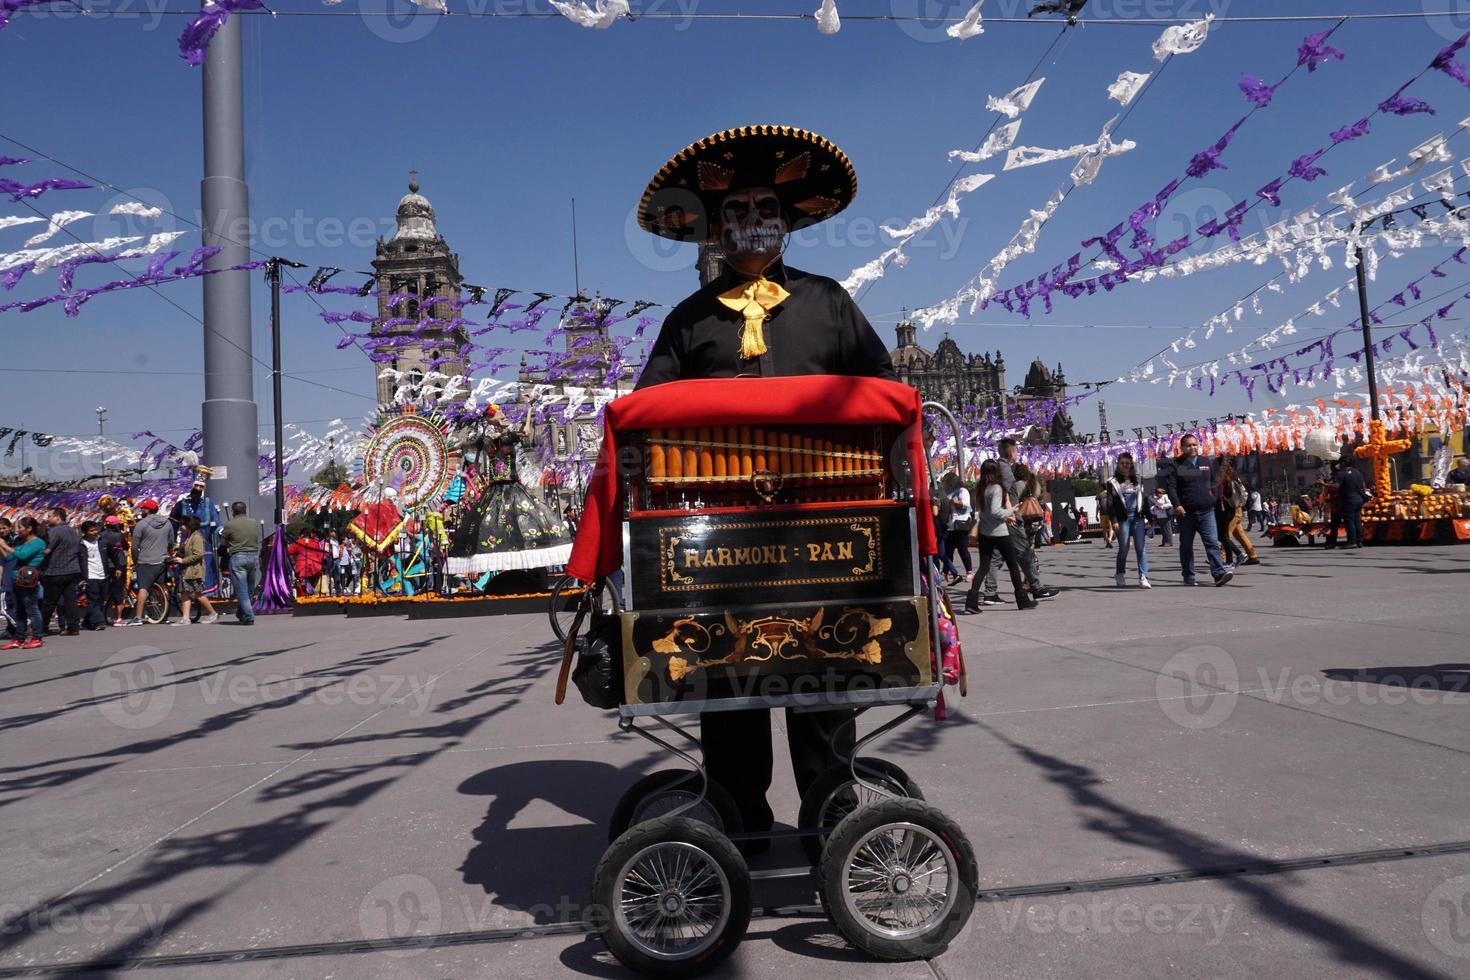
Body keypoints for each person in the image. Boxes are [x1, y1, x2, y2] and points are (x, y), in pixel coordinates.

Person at [632, 123, 897, 839]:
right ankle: (739, 817)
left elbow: (884, 392)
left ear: (789, 222)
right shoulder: (687, 321)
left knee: (825, 675)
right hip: (721, 542)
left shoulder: (830, 301)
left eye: (767, 210)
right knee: (727, 682)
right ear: (717, 228)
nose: (754, 223)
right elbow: (643, 417)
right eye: (739, 211)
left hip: (824, 531)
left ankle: (832, 814)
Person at [978, 439, 1060, 604]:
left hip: (1001, 520)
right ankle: (1037, 588)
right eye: (1016, 451)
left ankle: (990, 592)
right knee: (1024, 553)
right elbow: (1005, 493)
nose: (1017, 454)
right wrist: (1010, 513)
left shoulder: (1000, 468)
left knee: (996, 557)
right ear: (1010, 452)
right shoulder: (1006, 469)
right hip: (1012, 519)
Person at [1157, 433, 1233, 587]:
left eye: (1194, 445)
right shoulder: (1175, 465)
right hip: (1186, 513)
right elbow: (1171, 488)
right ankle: (1189, 576)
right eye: (1188, 445)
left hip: (1207, 511)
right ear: (1182, 448)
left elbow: (1214, 482)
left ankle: (1219, 574)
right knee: (1186, 545)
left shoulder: (1205, 461)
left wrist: (1213, 497)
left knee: (1212, 542)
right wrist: (1177, 504)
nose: (1192, 448)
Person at [963, 460, 1039, 613]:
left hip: (985, 532)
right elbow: (996, 511)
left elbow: (985, 512)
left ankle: (971, 601)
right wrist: (1011, 511)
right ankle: (1022, 599)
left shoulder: (981, 488)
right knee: (1012, 566)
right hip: (999, 532)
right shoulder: (996, 488)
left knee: (984, 567)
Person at [0, 518, 47, 648]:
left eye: (20, 527)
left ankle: (37, 637)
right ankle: (19, 638)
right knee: (20, 610)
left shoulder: (37, 542)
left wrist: (4, 545)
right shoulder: (23, 542)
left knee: (32, 609)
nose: (18, 531)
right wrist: (1, 547)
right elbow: (9, 557)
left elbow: (22, 556)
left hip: (27, 581)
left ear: (29, 528)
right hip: (17, 580)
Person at [1106, 452, 1150, 589]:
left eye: (1128, 463)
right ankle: (1120, 574)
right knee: (1124, 548)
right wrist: (1114, 521)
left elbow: (1144, 498)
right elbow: (1110, 503)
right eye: (1122, 463)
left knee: (1140, 548)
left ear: (1132, 464)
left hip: (1137, 517)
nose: (1125, 465)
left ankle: (1143, 576)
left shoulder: (1138, 479)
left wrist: (1149, 516)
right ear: (1118, 465)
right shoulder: (1112, 482)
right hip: (1122, 519)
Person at [129, 499, 174, 625]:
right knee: (162, 587)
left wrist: (136, 560)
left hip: (146, 561)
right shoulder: (167, 523)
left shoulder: (141, 524)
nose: (141, 510)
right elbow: (171, 542)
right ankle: (164, 615)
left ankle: (138, 617)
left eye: (143, 508)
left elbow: (134, 546)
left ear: (146, 510)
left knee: (143, 588)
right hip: (162, 560)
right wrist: (166, 551)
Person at [40, 507, 83, 636]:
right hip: (72, 570)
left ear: (57, 517)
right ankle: (73, 627)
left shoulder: (54, 531)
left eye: (49, 516)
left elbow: (47, 550)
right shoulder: (72, 531)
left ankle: (42, 627)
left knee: (49, 601)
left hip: (56, 570)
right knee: (70, 600)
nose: (47, 519)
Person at [171, 516, 220, 624]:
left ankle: (212, 613)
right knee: (184, 592)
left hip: (194, 570)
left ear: (189, 525)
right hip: (186, 570)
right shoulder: (188, 536)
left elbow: (198, 554)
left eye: (183, 525)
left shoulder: (197, 537)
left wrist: (183, 561)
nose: (181, 527)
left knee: (197, 593)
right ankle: (185, 618)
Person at [221, 502, 261, 624]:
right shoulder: (254, 523)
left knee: (241, 590)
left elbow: (222, 543)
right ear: (245, 510)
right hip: (253, 556)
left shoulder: (229, 524)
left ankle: (249, 616)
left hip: (238, 557)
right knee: (249, 589)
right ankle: (241, 613)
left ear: (233, 512)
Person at [1216, 460, 1259, 567]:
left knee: (1226, 535)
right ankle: (1252, 555)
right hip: (1238, 508)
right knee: (1240, 534)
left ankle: (1222, 558)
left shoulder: (1225, 479)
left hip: (1231, 509)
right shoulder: (1235, 478)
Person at [79, 521, 115, 631]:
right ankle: (99, 622)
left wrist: (117, 567)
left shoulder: (102, 542)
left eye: (95, 530)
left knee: (101, 598)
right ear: (85, 532)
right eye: (91, 531)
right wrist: (80, 577)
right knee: (93, 598)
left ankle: (86, 622)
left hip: (103, 574)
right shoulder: (81, 544)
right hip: (90, 575)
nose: (95, 532)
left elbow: (113, 554)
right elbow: (78, 561)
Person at [941, 471, 975, 585]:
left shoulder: (962, 491)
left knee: (962, 549)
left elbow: (964, 504)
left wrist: (951, 501)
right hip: (951, 525)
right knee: (948, 550)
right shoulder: (950, 493)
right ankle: (945, 573)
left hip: (961, 523)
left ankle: (969, 572)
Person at [1331, 456, 1369, 548]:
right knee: (1357, 521)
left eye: (1340, 463)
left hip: (1348, 500)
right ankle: (1359, 541)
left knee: (1349, 521)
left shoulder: (1341, 473)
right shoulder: (1358, 472)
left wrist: (1323, 484)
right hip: (1358, 499)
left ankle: (1352, 542)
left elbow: (1336, 486)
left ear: (1343, 463)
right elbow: (1363, 485)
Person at [99, 515, 128, 626]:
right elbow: (126, 547)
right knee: (118, 590)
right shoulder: (118, 536)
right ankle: (119, 617)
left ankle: (100, 615)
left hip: (104, 565)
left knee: (103, 590)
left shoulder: (100, 536)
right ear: (116, 525)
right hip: (119, 566)